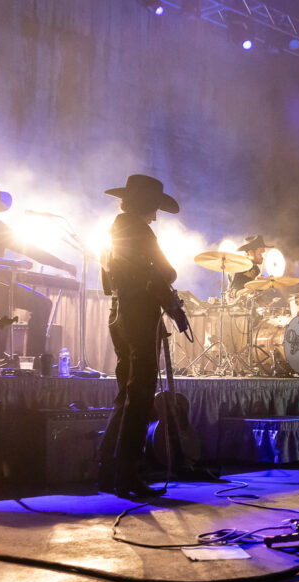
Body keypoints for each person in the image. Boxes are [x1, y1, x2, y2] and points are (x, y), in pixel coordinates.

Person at [98, 174, 180, 498]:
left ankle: (107, 469)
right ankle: (128, 475)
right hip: (137, 315)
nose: (156, 215)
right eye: (155, 207)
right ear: (147, 205)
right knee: (141, 395)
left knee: (127, 394)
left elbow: (108, 284)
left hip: (118, 315)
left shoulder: (112, 232)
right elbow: (168, 270)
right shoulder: (141, 230)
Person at [0, 179, 77, 360]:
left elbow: (29, 248)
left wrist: (62, 264)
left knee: (43, 304)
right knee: (3, 301)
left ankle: (34, 361)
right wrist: (9, 263)